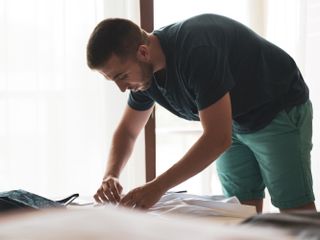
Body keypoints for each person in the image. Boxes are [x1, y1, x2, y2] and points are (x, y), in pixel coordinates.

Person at [86, 14, 316, 213]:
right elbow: (127, 131)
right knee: (240, 210)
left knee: (294, 210)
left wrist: (157, 187)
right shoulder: (144, 78)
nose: (122, 88)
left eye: (122, 76)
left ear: (143, 52)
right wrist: (111, 175)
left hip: (276, 109)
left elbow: (217, 138)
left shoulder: (196, 50)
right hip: (232, 122)